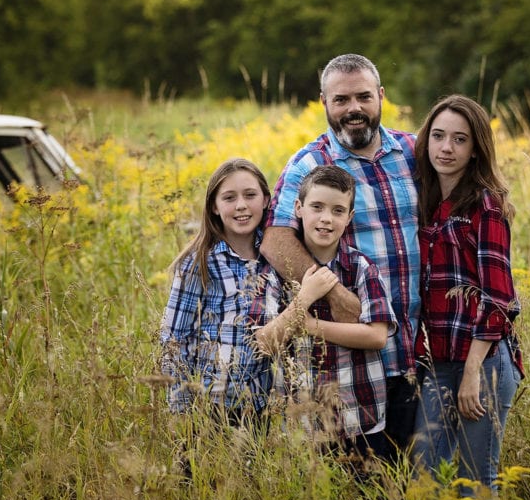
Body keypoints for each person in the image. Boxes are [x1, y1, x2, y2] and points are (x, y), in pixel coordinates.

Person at [260, 53, 420, 462]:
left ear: (381, 96)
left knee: (420, 484)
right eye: (341, 99)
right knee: (362, 483)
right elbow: (276, 240)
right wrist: (335, 294)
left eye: (364, 97)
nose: (354, 109)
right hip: (356, 367)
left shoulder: (413, 152)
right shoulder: (309, 164)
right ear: (324, 103)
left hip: (422, 354)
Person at [410, 94, 525, 494]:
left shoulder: (485, 205)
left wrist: (473, 371)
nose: (446, 148)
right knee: (423, 476)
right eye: (438, 136)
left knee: (474, 482)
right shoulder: (424, 200)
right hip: (439, 360)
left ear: (476, 149)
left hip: (485, 361)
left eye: (459, 139)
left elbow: (499, 299)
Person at [253, 165, 396, 463]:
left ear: (349, 217)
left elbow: (377, 335)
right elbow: (264, 343)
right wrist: (304, 297)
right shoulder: (276, 275)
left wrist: (309, 325)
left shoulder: (361, 269)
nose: (326, 219)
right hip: (300, 426)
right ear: (299, 208)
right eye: (316, 207)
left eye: (337, 210)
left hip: (361, 419)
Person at [159, 157, 273, 426]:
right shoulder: (199, 262)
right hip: (213, 405)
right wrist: (182, 414)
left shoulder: (274, 255)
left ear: (266, 199)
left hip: (263, 403)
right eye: (229, 197)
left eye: (250, 195)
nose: (241, 205)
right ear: (214, 206)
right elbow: (174, 339)